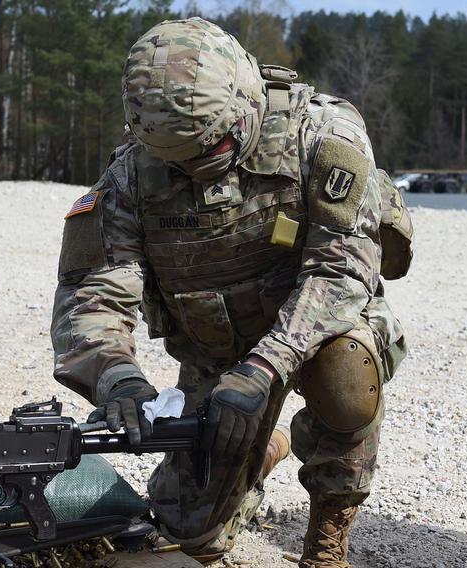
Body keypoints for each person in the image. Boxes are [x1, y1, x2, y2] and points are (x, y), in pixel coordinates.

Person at [51, 18, 413, 567]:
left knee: (347, 370)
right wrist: (115, 377)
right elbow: (92, 293)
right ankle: (263, 450)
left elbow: (340, 272)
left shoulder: (320, 137)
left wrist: (266, 367)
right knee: (192, 539)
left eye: (211, 147)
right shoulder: (130, 177)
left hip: (314, 334)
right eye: (181, 160)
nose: (197, 168)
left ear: (245, 102)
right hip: (214, 354)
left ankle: (328, 536)